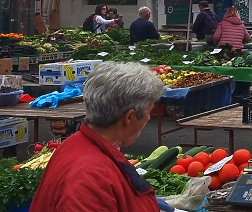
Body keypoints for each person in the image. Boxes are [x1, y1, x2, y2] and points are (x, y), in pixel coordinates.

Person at [30, 62, 164, 211]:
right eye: (148, 112)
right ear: (130, 117)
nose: (148, 118)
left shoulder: (76, 143)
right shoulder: (91, 176)